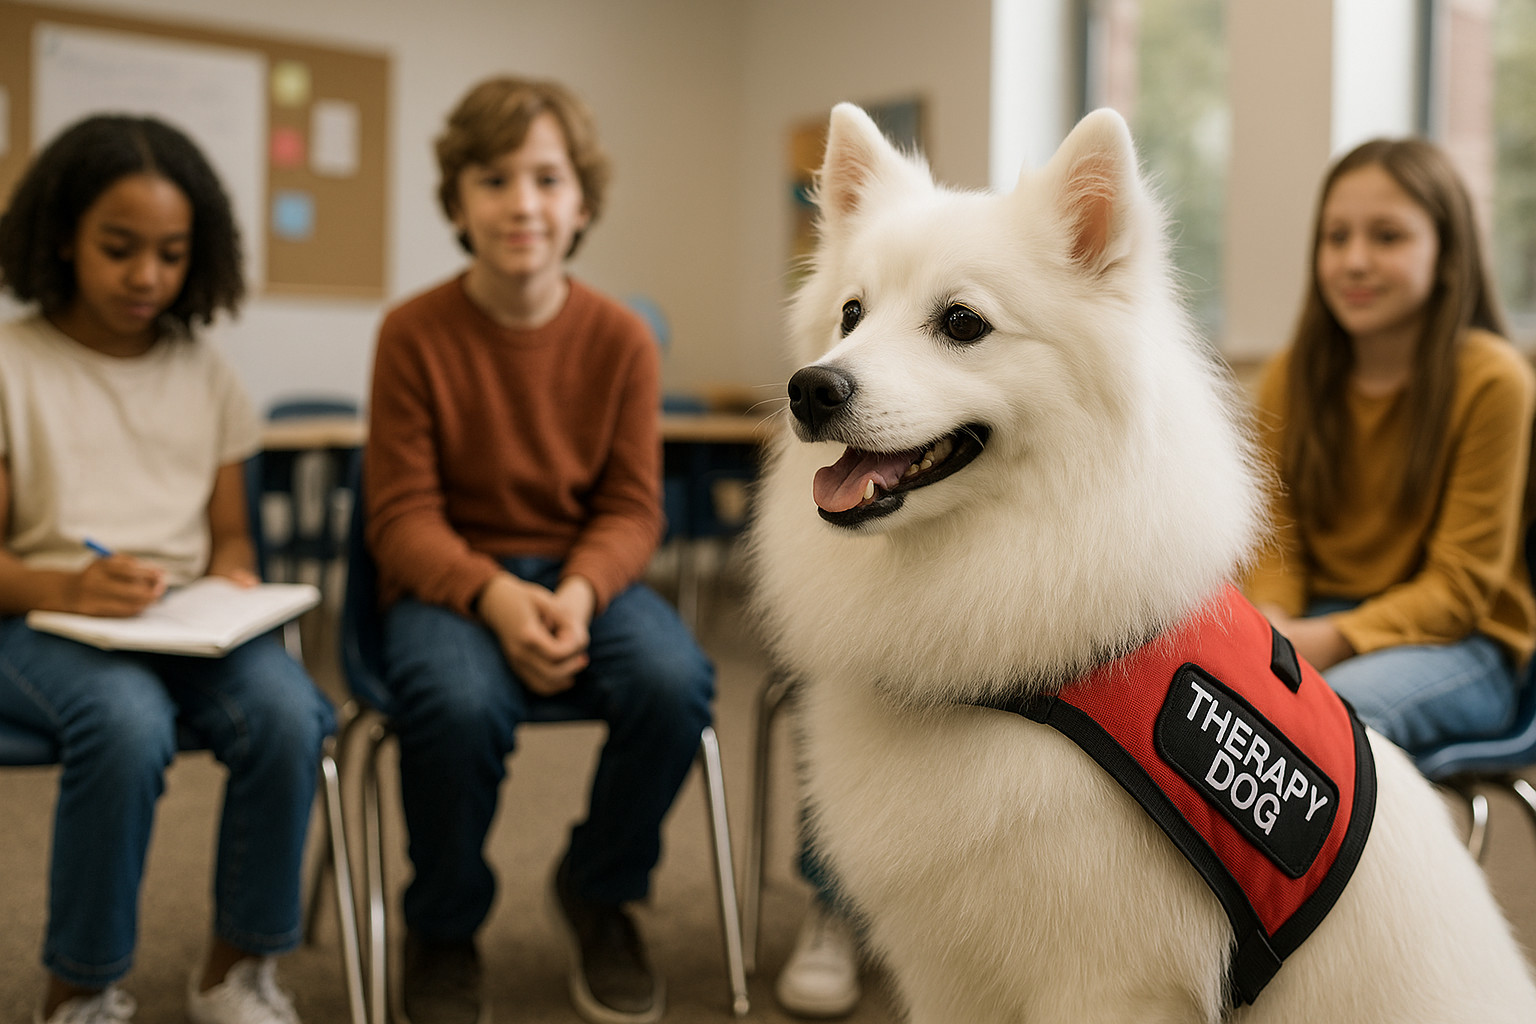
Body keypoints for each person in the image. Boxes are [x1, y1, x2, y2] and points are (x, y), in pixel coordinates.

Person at [364, 76, 714, 1024]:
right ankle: (443, 924)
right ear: (456, 203)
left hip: (580, 575)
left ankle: (598, 889)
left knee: (674, 682)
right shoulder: (410, 334)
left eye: (548, 179)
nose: (523, 203)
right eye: (493, 179)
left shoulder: (622, 342)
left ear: (582, 203)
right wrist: (494, 597)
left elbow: (633, 508)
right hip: (452, 585)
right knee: (455, 703)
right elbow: (399, 516)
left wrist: (579, 592)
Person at [0, 115, 334, 1024]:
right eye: (119, 248)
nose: (147, 275)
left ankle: (237, 971)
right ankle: (80, 985)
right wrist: (69, 586)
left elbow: (230, 539)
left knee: (290, 711)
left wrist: (230, 583)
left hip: (182, 619)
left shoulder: (209, 375)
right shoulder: (12, 364)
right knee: (124, 721)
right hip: (42, 619)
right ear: (62, 235)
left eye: (172, 253)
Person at [1246, 136, 1536, 758]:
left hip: (1465, 645)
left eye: (1387, 237)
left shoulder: (1494, 380)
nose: (1354, 261)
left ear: (1447, 254)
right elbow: (1276, 544)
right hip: (1316, 621)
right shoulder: (1288, 376)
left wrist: (1322, 641)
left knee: (1327, 729)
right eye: (1336, 237)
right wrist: (1272, 622)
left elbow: (1458, 590)